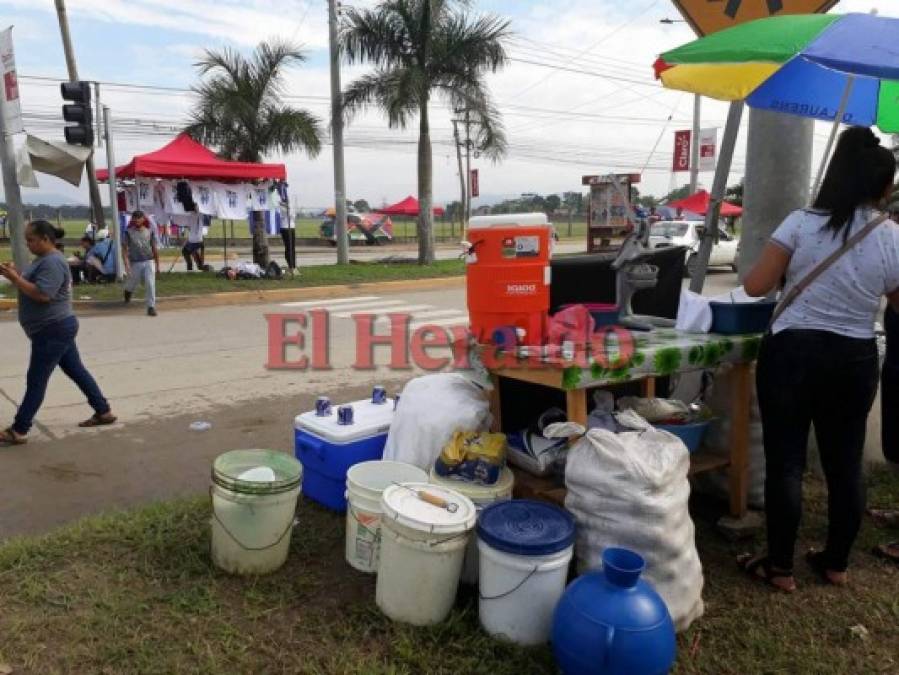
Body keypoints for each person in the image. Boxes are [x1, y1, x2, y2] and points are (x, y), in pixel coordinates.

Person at [739, 127, 899, 592]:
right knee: (845, 464)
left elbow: (755, 287)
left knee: (785, 462)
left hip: (792, 351)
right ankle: (835, 563)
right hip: (854, 356)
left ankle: (781, 567)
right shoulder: (891, 236)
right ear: (883, 187)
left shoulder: (801, 223)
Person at [0, 220, 116, 446]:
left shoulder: (52, 261)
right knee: (76, 371)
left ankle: (20, 429)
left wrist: (15, 279)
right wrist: (15, 273)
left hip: (52, 329)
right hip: (55, 328)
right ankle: (103, 411)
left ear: (45, 239)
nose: (28, 244)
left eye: (31, 240)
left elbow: (44, 294)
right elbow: (33, 284)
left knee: (36, 380)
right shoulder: (44, 260)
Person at [122, 209, 160, 317]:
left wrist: (157, 265)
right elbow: (124, 250)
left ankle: (151, 307)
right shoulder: (128, 232)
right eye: (135, 218)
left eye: (139, 217)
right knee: (132, 283)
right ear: (133, 219)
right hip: (135, 262)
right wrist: (126, 264)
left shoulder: (149, 232)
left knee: (150, 283)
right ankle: (128, 292)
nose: (137, 220)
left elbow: (154, 249)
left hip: (149, 260)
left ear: (143, 219)